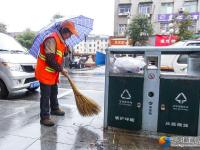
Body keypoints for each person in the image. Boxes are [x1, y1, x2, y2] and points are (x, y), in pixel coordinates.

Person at [35, 21, 78, 126]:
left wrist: (66, 51)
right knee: (45, 95)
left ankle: (54, 109)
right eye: (70, 34)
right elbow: (50, 59)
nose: (70, 36)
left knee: (54, 92)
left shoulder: (61, 40)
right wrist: (61, 69)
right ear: (64, 31)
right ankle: (44, 117)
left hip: (52, 73)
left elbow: (59, 55)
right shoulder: (51, 39)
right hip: (45, 71)